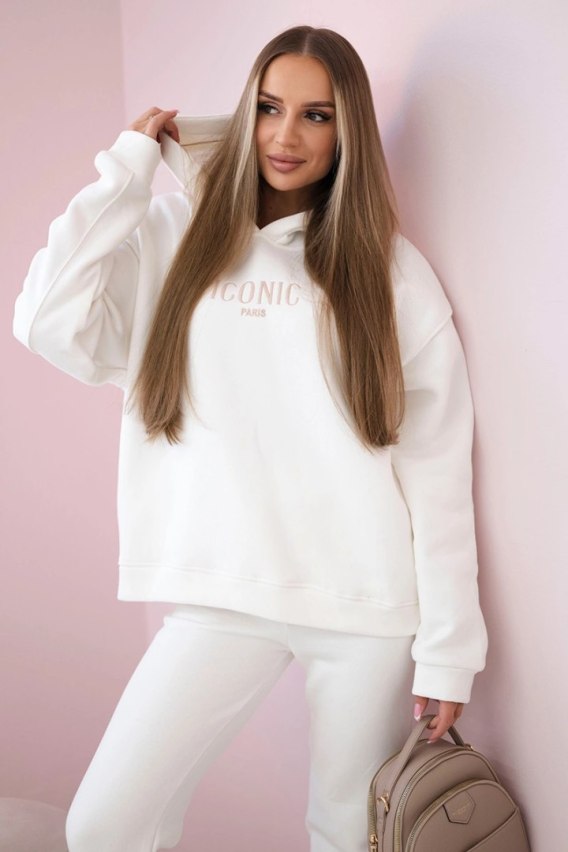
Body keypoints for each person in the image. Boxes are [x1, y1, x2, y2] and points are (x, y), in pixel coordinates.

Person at [13, 24, 488, 852]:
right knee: (104, 825)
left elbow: (437, 469)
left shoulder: (390, 272)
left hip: (365, 607)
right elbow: (46, 321)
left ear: (347, 132)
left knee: (344, 837)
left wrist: (449, 653)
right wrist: (127, 174)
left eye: (316, 115)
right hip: (222, 592)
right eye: (268, 108)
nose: (285, 135)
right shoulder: (174, 236)